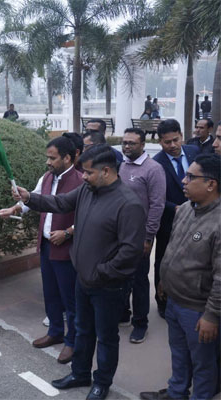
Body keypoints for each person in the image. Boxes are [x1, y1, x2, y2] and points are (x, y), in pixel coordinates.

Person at [2, 144, 146, 400]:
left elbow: (130, 252)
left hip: (108, 285)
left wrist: (102, 272)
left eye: (88, 172)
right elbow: (58, 203)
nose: (84, 177)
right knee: (82, 329)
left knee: (106, 337)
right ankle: (80, 373)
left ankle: (101, 382)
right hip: (84, 278)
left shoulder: (129, 203)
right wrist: (29, 198)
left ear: (106, 171)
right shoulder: (88, 190)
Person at [140, 154, 220, 400]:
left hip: (198, 310)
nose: (183, 181)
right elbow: (175, 248)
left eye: (191, 177)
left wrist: (212, 316)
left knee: (203, 364)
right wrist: (164, 279)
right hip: (175, 300)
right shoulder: (185, 209)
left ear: (211, 184)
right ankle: (176, 393)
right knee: (178, 353)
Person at [0, 136, 82, 364]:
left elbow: (88, 216)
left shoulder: (81, 181)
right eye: (47, 157)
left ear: (68, 158)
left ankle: (72, 342)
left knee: (70, 300)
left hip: (67, 249)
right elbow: (32, 200)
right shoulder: (46, 177)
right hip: (46, 246)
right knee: (51, 294)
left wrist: (68, 232)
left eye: (52, 158)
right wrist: (15, 207)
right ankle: (55, 332)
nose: (48, 162)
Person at [118, 128, 166, 344]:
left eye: (132, 143)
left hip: (140, 237)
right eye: (124, 142)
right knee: (121, 276)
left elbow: (157, 205)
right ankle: (124, 313)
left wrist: (148, 237)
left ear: (143, 145)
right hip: (120, 234)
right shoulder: (121, 165)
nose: (127, 146)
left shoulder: (153, 169)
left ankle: (140, 323)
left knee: (138, 280)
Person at [152, 119, 199, 318]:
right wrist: (176, 208)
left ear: (181, 135)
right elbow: (155, 198)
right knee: (163, 260)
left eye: (175, 140)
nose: (172, 145)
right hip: (169, 221)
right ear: (160, 142)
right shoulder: (156, 164)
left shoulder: (195, 153)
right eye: (166, 142)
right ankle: (162, 302)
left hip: (197, 218)